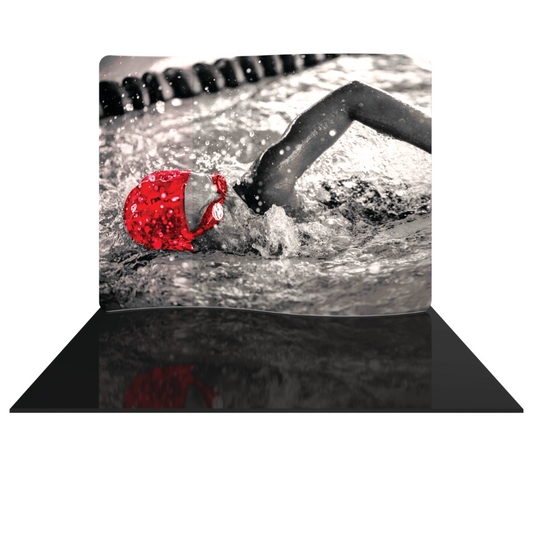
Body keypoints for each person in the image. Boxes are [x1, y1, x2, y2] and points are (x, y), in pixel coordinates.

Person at [124, 79, 431, 252]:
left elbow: (353, 96)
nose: (230, 202)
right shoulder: (224, 251)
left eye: (219, 186)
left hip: (383, 212)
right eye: (214, 212)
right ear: (191, 243)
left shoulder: (269, 183)